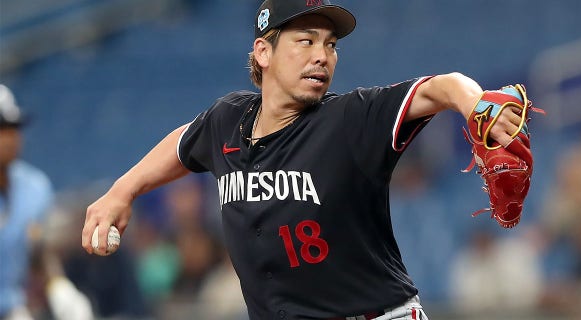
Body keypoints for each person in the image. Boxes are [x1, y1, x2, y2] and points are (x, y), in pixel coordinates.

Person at [82, 0, 532, 319]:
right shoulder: (227, 121)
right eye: (306, 40)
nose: (323, 55)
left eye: (331, 44)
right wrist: (124, 190)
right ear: (264, 52)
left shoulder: (350, 118)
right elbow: (185, 142)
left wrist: (476, 106)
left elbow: (442, 86)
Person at [0, 84, 93, 320]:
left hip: (10, 307)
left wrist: (59, 285)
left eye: (13, 128)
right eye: (1, 129)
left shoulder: (34, 187)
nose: (9, 138)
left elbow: (37, 248)